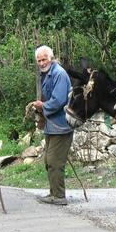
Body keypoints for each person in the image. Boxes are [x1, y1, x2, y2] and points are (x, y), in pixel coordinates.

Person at [33, 45, 73, 205]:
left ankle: (59, 196)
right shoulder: (47, 74)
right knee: (48, 160)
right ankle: (53, 193)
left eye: (44, 59)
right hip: (52, 125)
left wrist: (42, 106)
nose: (42, 63)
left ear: (51, 58)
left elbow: (58, 100)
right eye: (39, 60)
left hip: (61, 125)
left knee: (55, 161)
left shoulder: (59, 74)